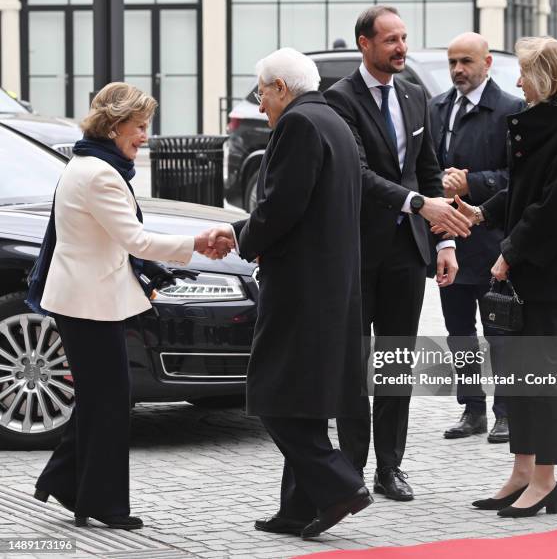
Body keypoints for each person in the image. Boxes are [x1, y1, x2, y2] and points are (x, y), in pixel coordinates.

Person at [204, 48, 372, 539]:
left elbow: (281, 206)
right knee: (305, 400)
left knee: (272, 396)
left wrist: (242, 238)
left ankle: (341, 485)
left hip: (301, 288)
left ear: (281, 87)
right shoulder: (333, 120)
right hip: (331, 285)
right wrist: (241, 230)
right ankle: (298, 509)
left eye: (262, 93)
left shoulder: (299, 125)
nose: (260, 106)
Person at [32, 83, 210, 529]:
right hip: (88, 304)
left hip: (85, 300)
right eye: (140, 126)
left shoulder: (89, 163)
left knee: (100, 400)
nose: (145, 136)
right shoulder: (101, 174)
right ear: (114, 126)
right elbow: (136, 239)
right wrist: (197, 243)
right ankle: (103, 505)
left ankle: (66, 482)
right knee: (109, 402)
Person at [323, 5, 471, 502]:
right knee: (352, 362)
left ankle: (390, 468)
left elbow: (429, 170)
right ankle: (350, 470)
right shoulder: (339, 99)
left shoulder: (414, 94)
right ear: (365, 43)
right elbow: (357, 174)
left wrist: (444, 239)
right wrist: (416, 202)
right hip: (358, 251)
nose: (401, 48)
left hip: (408, 250)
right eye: (391, 40)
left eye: (404, 38)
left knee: (395, 360)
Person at [447, 36, 557, 517]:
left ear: (547, 78)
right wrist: (480, 214)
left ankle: (546, 480)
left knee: (538, 378)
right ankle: (522, 472)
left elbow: (551, 210)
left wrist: (508, 254)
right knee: (517, 374)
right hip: (531, 269)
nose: (516, 80)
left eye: (525, 72)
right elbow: (520, 190)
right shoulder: (537, 128)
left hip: (547, 276)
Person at [429, 33, 524, 443]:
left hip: (492, 240)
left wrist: (473, 183)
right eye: (452, 62)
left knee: (499, 331)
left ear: (487, 63)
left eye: (466, 61)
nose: (457, 70)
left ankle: (505, 411)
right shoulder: (437, 108)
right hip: (448, 239)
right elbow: (425, 167)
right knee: (458, 331)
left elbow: (518, 179)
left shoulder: (510, 111)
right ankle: (472, 409)